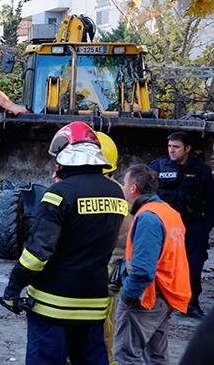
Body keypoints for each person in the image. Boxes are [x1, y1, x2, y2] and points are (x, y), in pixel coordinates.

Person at [0, 122, 126, 365]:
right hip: (95, 302)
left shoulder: (59, 194)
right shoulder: (116, 193)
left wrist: (14, 287)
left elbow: (38, 252)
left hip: (53, 305)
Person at [113, 164, 191, 364]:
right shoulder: (168, 212)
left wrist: (129, 297)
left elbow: (142, 270)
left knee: (127, 355)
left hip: (147, 297)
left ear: (133, 189)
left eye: (124, 184)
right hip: (167, 294)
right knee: (155, 356)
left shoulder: (148, 218)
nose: (123, 188)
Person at [149, 131, 214, 319]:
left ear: (187, 149)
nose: (171, 150)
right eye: (169, 146)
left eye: (176, 147)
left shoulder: (201, 170)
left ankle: (190, 304)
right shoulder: (157, 167)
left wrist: (205, 227)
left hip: (192, 228)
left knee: (193, 268)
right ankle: (158, 302)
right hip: (164, 228)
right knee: (160, 266)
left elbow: (211, 201)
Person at [97, 131, 132, 365]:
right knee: (109, 323)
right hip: (113, 272)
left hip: (103, 273)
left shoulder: (74, 192)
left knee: (103, 326)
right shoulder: (122, 193)